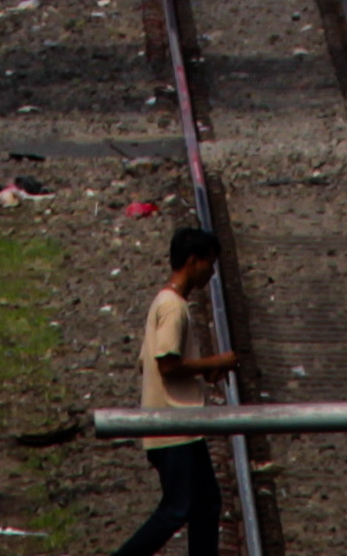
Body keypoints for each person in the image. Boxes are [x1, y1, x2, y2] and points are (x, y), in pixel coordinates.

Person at [105, 220, 235, 556]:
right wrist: (214, 361)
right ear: (193, 261)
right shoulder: (173, 306)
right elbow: (167, 363)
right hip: (171, 424)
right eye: (209, 264)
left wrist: (202, 375)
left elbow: (147, 362)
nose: (211, 273)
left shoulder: (165, 303)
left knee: (206, 502)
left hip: (182, 423)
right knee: (178, 507)